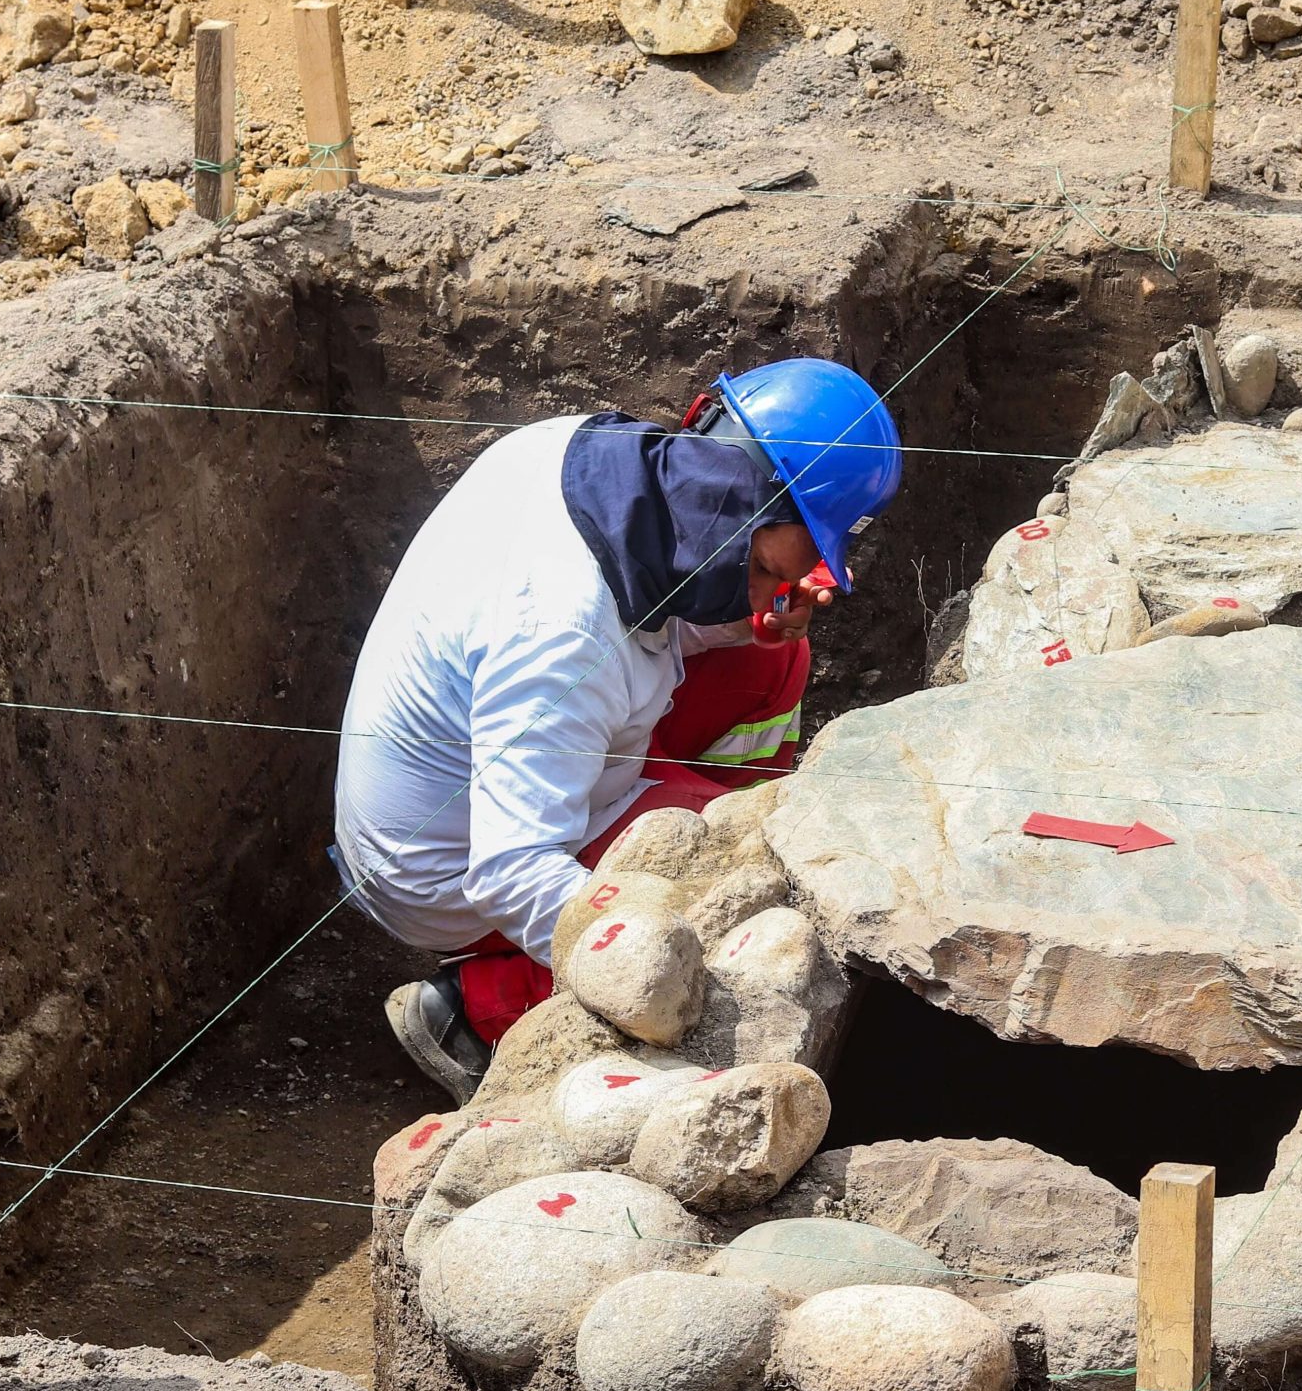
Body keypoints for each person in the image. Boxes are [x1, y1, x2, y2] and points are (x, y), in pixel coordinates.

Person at [331, 359, 902, 1103]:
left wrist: (750, 605)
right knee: (747, 882)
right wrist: (677, 939)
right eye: (779, 560)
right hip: (445, 869)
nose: (815, 580)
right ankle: (479, 1010)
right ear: (750, 504)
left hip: (507, 763)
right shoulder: (563, 634)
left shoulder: (594, 459)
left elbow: (651, 627)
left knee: (776, 655)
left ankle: (704, 830)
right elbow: (509, 870)